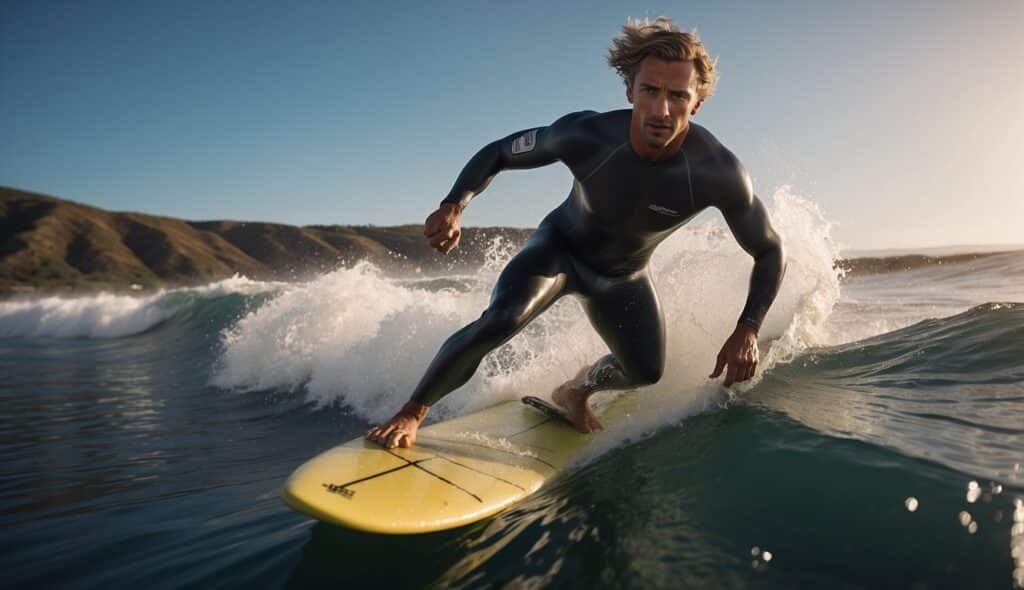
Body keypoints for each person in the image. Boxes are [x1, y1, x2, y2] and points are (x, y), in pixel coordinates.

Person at [366, 17, 785, 449]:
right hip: (559, 253)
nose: (662, 110)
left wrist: (747, 329)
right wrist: (454, 204)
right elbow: (501, 152)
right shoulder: (587, 134)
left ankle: (576, 390)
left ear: (696, 103)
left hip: (623, 277)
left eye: (678, 96)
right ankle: (411, 412)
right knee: (502, 320)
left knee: (644, 372)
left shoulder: (718, 172)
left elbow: (769, 249)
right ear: (630, 91)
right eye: (650, 91)